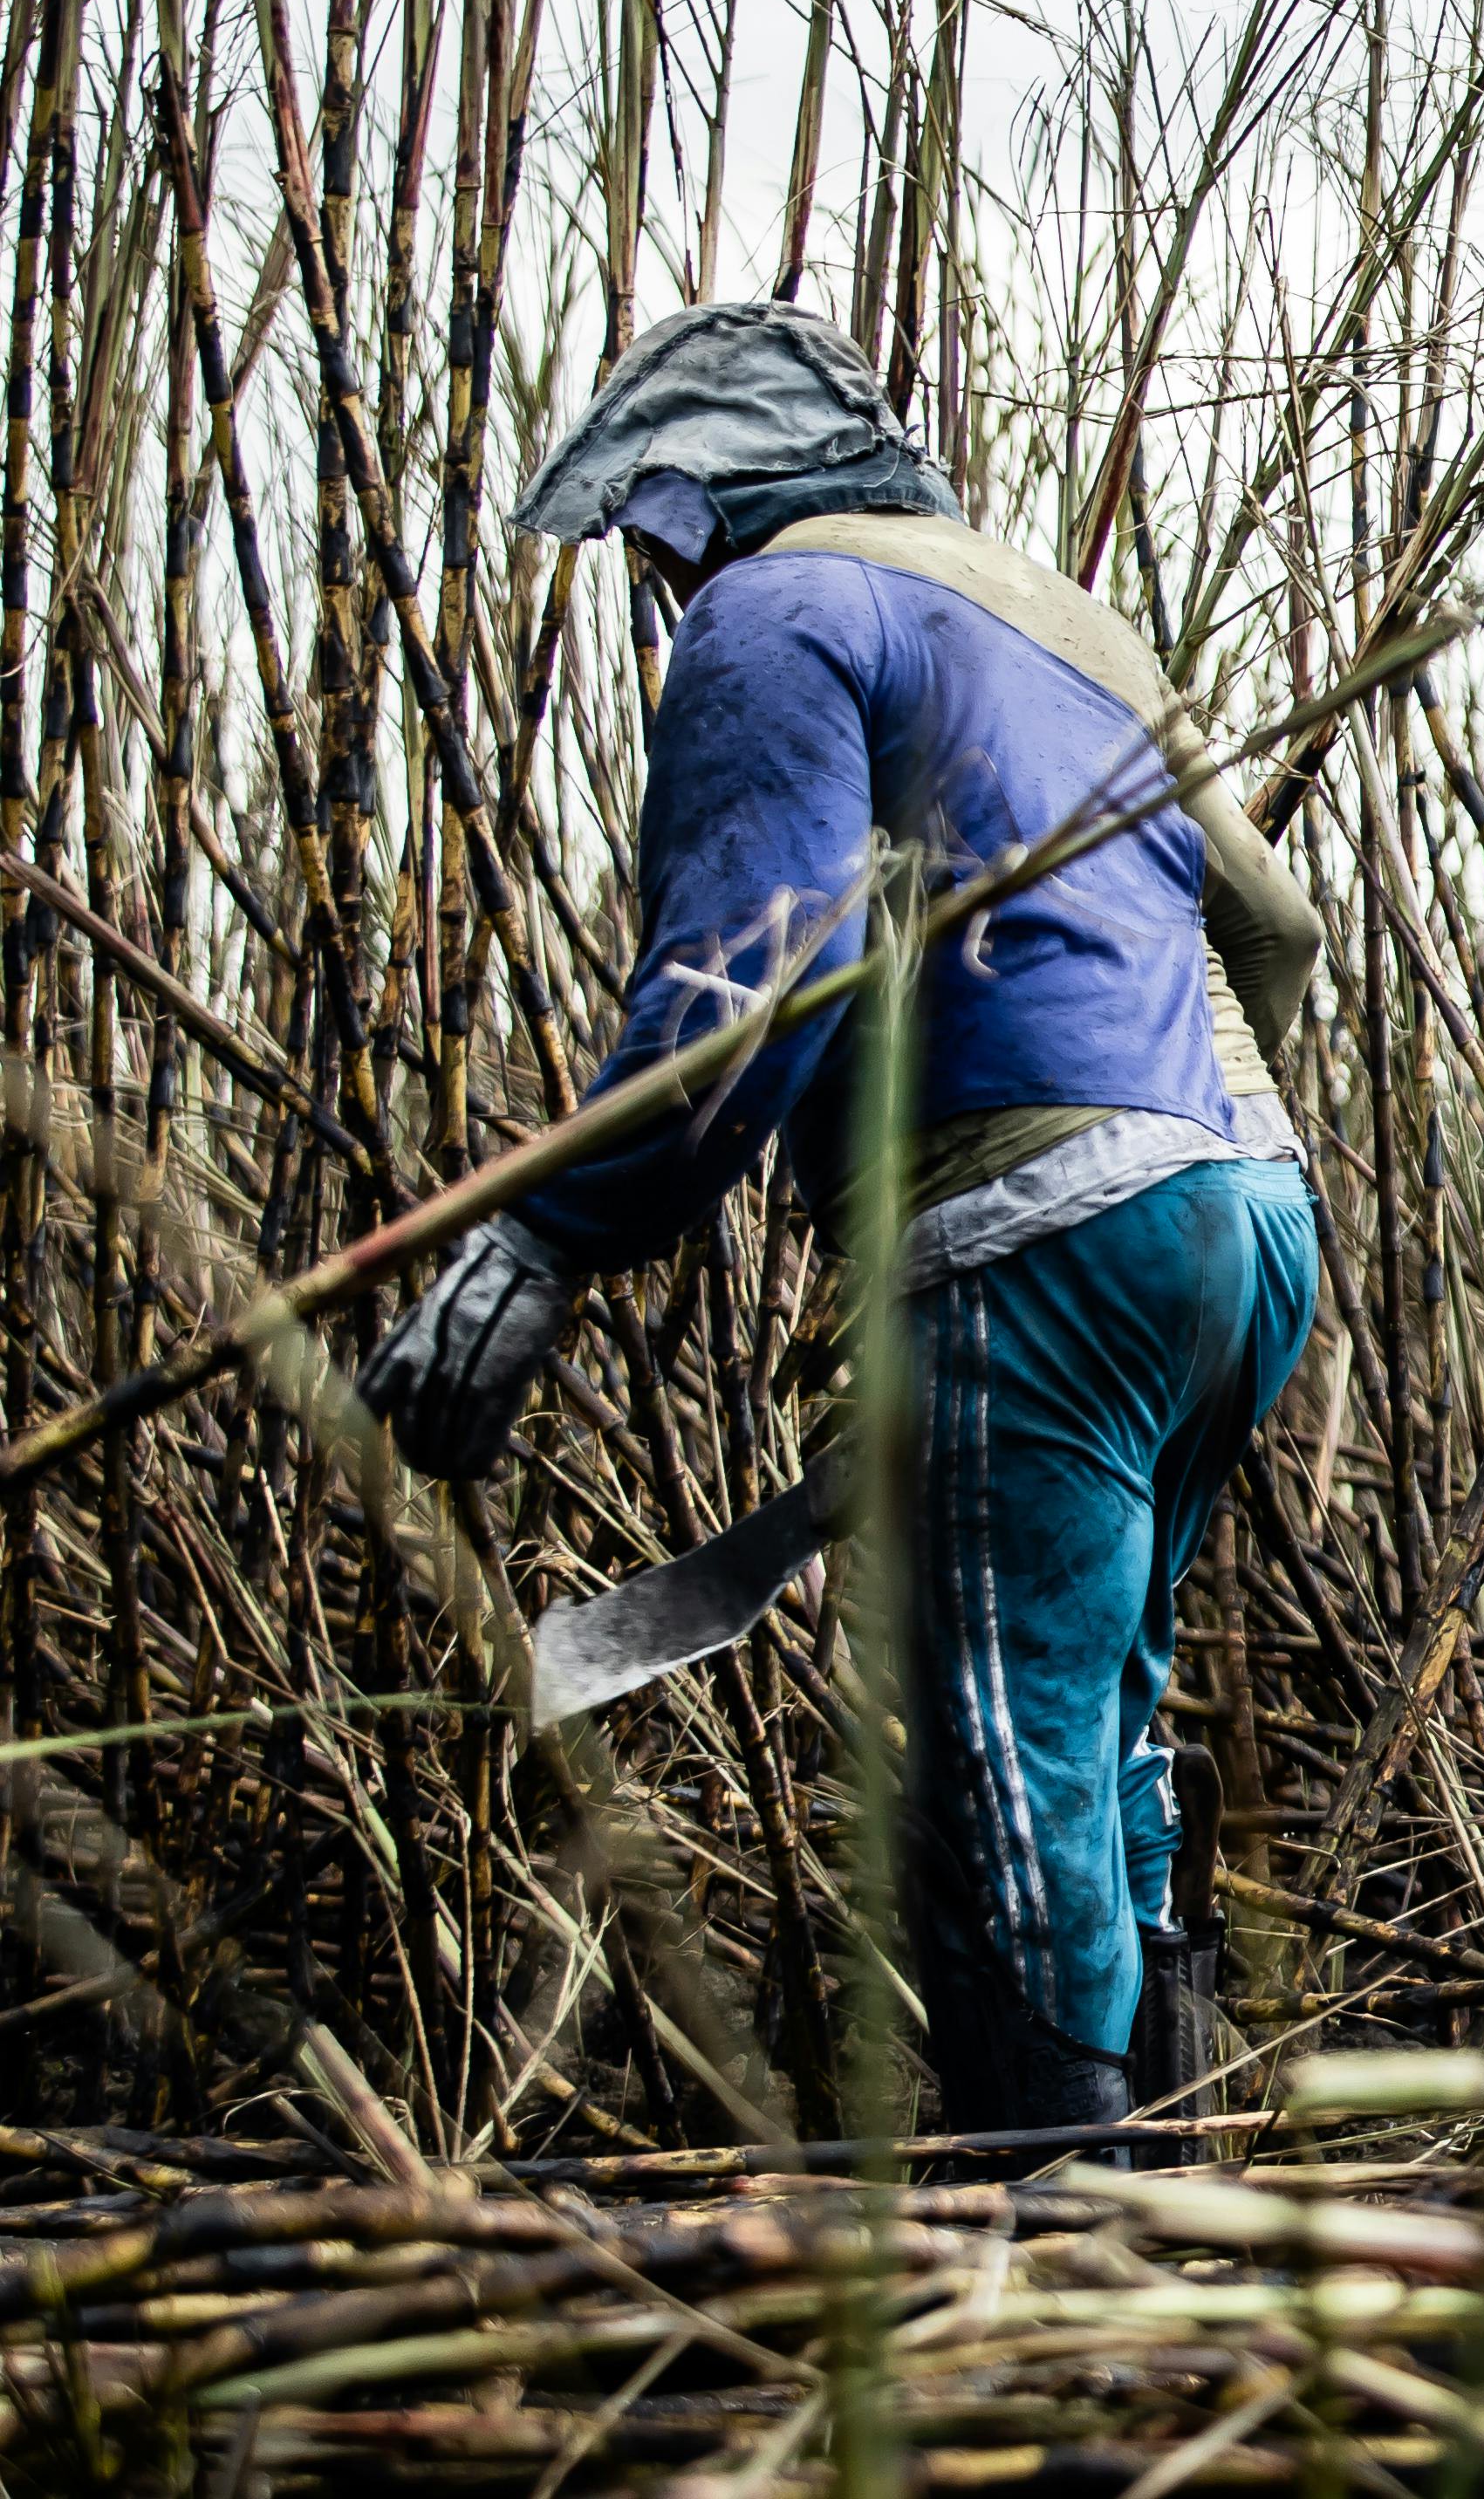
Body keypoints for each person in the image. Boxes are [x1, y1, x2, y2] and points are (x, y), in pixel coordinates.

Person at [353, 303, 1325, 2139]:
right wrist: (1188, 1149)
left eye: (648, 546)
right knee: (1102, 1703)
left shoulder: (773, 608)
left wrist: (555, 1234)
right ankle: (1172, 2200)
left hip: (1036, 1240)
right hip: (1253, 1221)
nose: (653, 585)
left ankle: (1061, 2234)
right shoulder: (1073, 623)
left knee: (998, 1752)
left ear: (685, 508)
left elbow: (754, 978)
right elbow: (1276, 930)